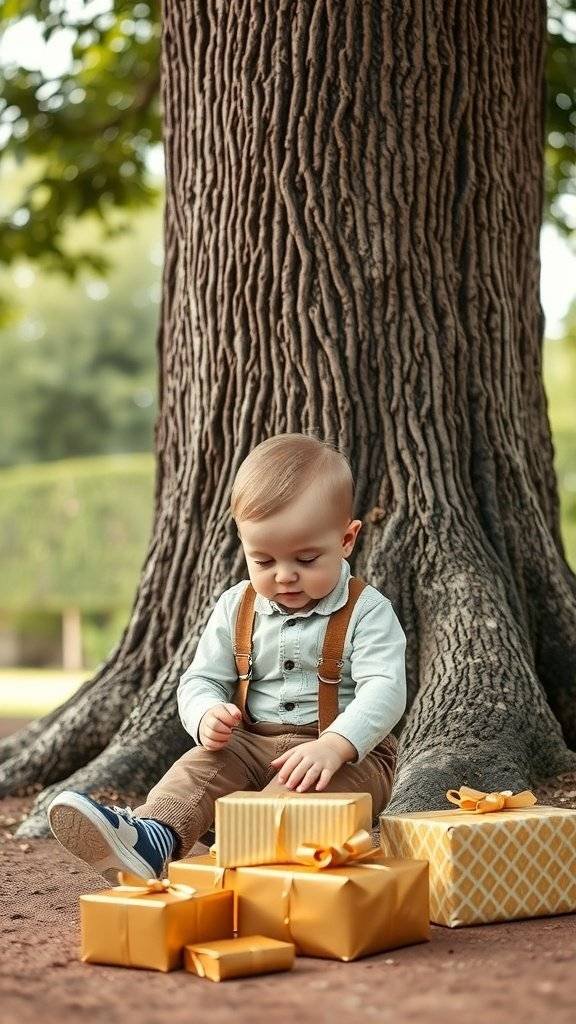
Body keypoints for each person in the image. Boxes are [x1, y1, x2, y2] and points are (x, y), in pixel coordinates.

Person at [47, 433, 407, 882]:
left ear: (347, 539)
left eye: (307, 558)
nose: (285, 575)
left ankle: (250, 865)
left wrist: (336, 744)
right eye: (263, 560)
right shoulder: (237, 607)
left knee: (297, 797)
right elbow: (199, 680)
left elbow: (386, 689)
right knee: (199, 766)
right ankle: (153, 837)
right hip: (250, 744)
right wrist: (205, 714)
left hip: (347, 759)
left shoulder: (367, 610)